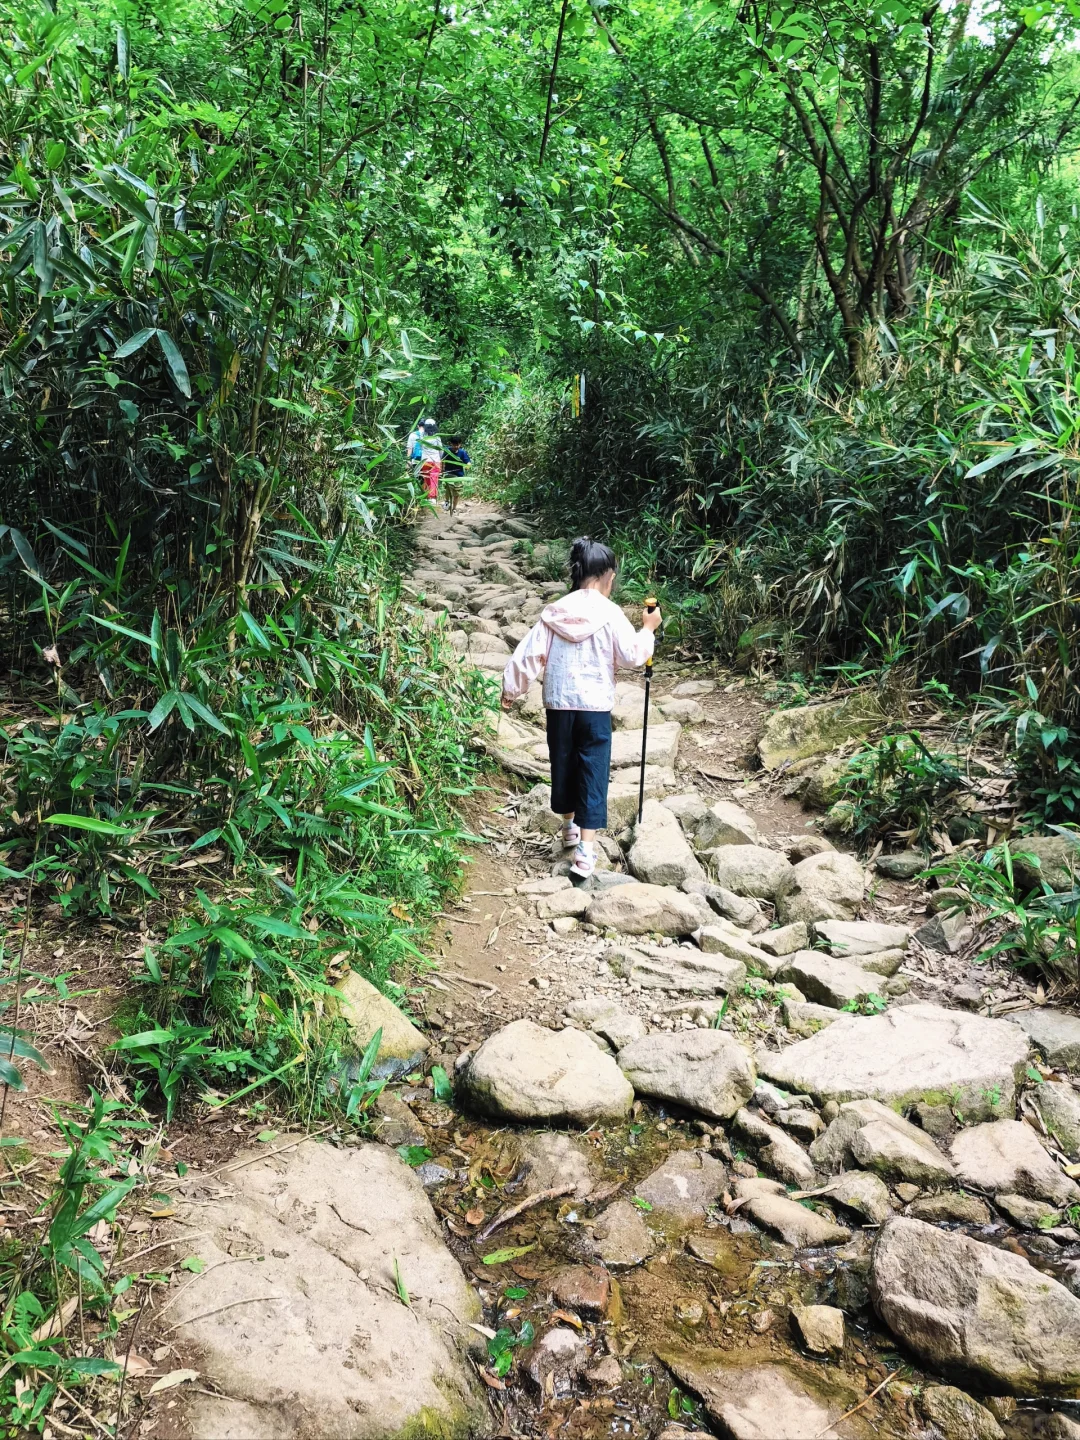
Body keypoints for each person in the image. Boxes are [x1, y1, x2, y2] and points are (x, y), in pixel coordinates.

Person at [500, 538, 662, 878]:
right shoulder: (610, 613)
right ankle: (586, 851)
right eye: (613, 576)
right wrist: (648, 630)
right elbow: (633, 655)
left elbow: (528, 653)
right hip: (594, 707)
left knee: (563, 763)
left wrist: (511, 690)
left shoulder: (555, 612)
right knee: (592, 770)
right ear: (605, 576)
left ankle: (569, 826)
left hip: (559, 704)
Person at [417, 418, 443, 504]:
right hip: (435, 460)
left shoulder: (422, 436)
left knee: (426, 478)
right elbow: (440, 449)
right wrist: (441, 459)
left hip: (425, 461)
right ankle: (432, 498)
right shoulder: (437, 437)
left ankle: (428, 497)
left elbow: (421, 447)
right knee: (434, 479)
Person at [443, 436, 470, 515]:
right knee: (448, 488)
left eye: (457, 445)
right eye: (454, 445)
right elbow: (443, 461)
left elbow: (467, 461)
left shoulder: (462, 452)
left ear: (460, 444)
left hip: (459, 475)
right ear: (451, 444)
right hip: (449, 474)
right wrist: (442, 471)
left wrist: (468, 465)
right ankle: (447, 502)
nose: (455, 447)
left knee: (456, 493)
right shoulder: (447, 451)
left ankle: (454, 508)